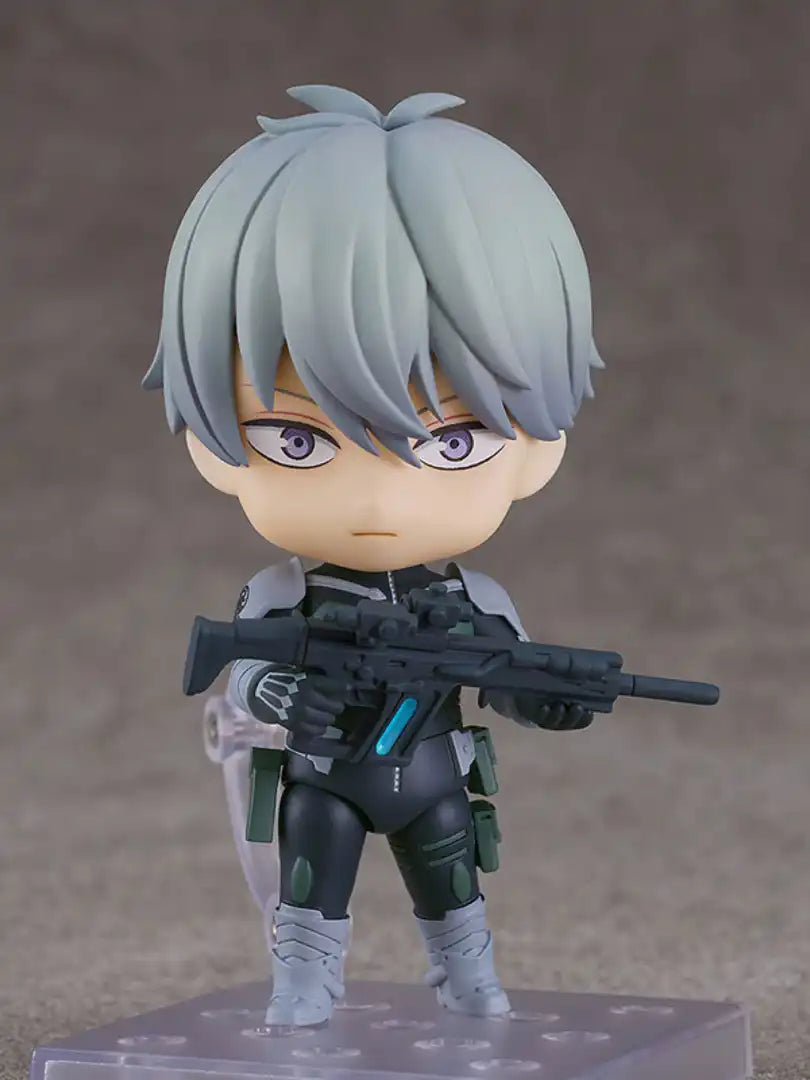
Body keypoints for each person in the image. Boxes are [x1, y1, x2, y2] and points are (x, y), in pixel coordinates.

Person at [144, 84, 602, 1027]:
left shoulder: (472, 597)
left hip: (433, 779)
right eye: (300, 439)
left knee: (455, 889)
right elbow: (243, 673)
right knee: (311, 892)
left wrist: (545, 699)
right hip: (326, 781)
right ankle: (303, 988)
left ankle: (469, 982)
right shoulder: (287, 590)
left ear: (537, 451)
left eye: (453, 442)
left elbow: (508, 675)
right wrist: (280, 694)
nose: (382, 498)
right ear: (214, 445)